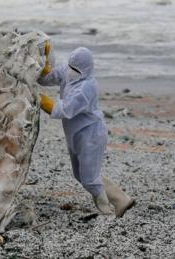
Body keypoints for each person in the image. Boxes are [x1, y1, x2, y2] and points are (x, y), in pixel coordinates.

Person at [38, 43, 135, 217]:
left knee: (89, 178)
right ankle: (121, 199)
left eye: (76, 68)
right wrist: (45, 59)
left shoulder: (87, 87)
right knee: (81, 175)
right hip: (75, 134)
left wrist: (39, 98)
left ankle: (107, 212)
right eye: (71, 66)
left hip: (91, 134)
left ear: (86, 69)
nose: (72, 71)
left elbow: (65, 110)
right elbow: (46, 79)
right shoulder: (69, 72)